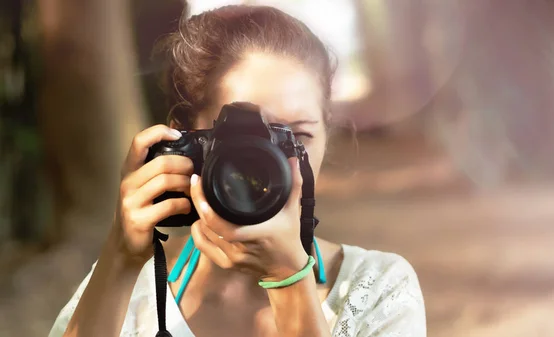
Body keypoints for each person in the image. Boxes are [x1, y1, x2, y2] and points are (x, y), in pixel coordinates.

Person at [49, 5, 426, 337]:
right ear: (186, 139)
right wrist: (120, 256)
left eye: (294, 138)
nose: (266, 163)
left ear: (327, 134)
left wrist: (289, 281)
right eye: (241, 139)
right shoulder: (132, 288)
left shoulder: (380, 289)